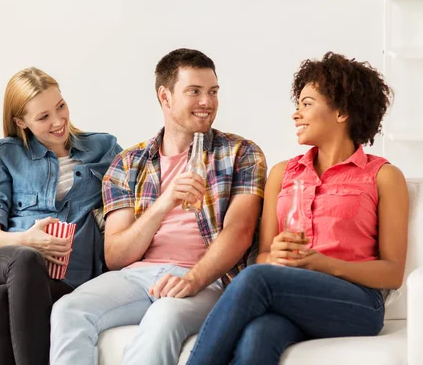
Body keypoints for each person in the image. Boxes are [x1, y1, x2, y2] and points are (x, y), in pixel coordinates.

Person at [186, 52, 409, 365]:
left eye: (307, 103)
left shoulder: (384, 176)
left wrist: (322, 263)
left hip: (358, 304)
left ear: (342, 111)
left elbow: (393, 272)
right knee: (259, 335)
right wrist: (276, 257)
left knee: (255, 280)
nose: (296, 114)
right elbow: (263, 257)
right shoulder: (282, 174)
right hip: (292, 295)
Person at [50, 48, 267, 365]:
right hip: (138, 277)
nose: (207, 102)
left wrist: (192, 279)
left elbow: (240, 231)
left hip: (209, 280)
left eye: (213, 92)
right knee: (68, 309)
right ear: (165, 98)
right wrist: (165, 202)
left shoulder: (241, 153)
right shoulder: (128, 164)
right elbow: (117, 255)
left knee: (164, 315)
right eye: (194, 91)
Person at [0, 67, 121, 365]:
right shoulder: (3, 153)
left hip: (69, 277)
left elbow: (132, 201)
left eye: (61, 106)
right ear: (21, 122)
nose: (58, 121)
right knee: (27, 258)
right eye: (43, 117)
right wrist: (26, 240)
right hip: (3, 258)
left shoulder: (103, 147)